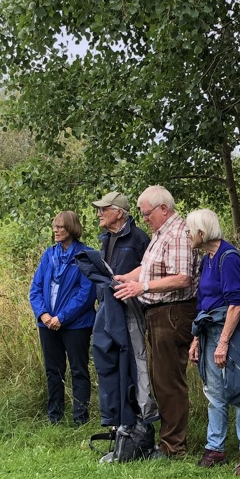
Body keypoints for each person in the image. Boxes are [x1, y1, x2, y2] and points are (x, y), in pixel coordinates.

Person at [112, 187, 200, 459]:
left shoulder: (179, 234)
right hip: (159, 311)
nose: (145, 218)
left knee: (169, 381)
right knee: (160, 379)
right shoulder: (160, 235)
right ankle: (168, 441)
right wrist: (126, 277)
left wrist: (143, 287)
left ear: (164, 208)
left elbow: (182, 277)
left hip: (173, 311)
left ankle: (174, 447)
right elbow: (149, 267)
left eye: (147, 213)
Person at [84, 192, 156, 462]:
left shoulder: (138, 239)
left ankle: (142, 426)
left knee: (136, 365)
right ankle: (121, 424)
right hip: (108, 312)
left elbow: (149, 272)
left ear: (120, 212)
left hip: (132, 311)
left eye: (104, 209)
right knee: (111, 365)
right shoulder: (105, 239)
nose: (99, 214)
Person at [186, 209, 240, 475]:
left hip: (230, 332)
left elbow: (236, 304)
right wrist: (195, 339)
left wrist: (223, 343)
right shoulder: (207, 259)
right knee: (214, 392)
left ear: (201, 233)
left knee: (239, 391)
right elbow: (203, 302)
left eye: (189, 230)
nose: (187, 235)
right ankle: (215, 447)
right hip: (208, 330)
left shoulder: (229, 258)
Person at [28, 211, 95, 425]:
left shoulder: (85, 254)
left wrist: (62, 318)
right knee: (53, 370)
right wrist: (44, 314)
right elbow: (36, 288)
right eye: (54, 226)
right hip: (47, 323)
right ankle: (54, 416)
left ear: (72, 229)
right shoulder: (49, 255)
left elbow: (87, 293)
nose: (56, 230)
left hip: (76, 324)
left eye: (61, 227)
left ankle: (80, 418)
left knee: (78, 369)